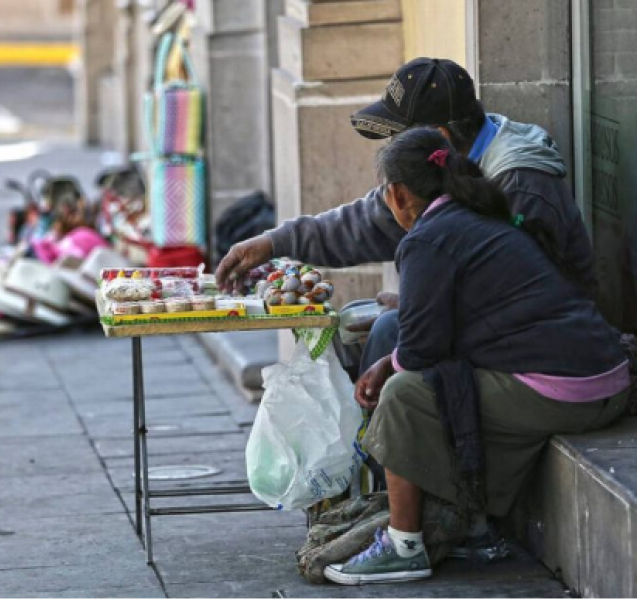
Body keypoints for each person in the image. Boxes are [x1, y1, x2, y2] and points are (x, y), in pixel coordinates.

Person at [319, 127, 629, 585]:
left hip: (569, 389)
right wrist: (393, 358)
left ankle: (404, 545)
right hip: (604, 378)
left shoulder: (429, 238)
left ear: (397, 194)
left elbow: (421, 353)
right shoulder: (479, 216)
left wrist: (388, 366)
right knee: (440, 379)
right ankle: (472, 526)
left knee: (405, 395)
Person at [215, 57, 596, 382]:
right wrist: (274, 242)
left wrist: (423, 308)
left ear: (438, 137)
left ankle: (383, 462)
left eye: (396, 140)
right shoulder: (438, 168)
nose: (389, 152)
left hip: (545, 350)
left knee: (388, 336)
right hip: (490, 324)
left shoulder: (521, 183)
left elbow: (529, 296)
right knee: (349, 326)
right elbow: (368, 221)